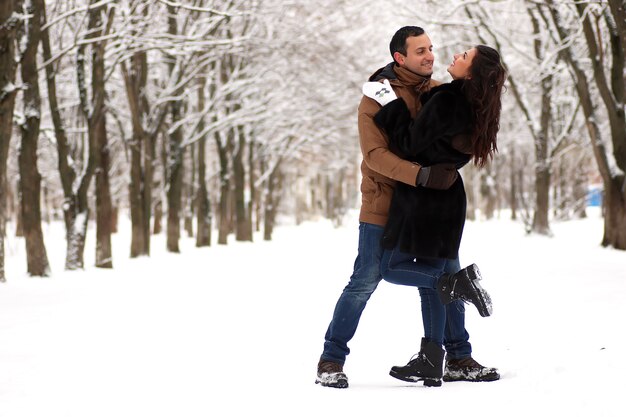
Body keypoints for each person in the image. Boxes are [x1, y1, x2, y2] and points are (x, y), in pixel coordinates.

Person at [316, 26, 499, 389]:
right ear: (401, 57)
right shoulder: (376, 95)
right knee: (366, 280)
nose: (430, 56)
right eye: (420, 51)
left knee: (443, 274)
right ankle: (331, 360)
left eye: (431, 48)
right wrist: (421, 176)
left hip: (427, 205)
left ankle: (457, 357)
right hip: (385, 202)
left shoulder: (437, 91)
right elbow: (376, 155)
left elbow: (449, 141)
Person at [362, 45, 507, 387]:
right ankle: (437, 359)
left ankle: (459, 287)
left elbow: (408, 146)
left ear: (471, 72)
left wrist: (391, 103)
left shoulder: (447, 101)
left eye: (465, 55)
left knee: (393, 268)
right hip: (447, 200)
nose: (456, 54)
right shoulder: (474, 106)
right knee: (434, 279)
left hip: (424, 201)